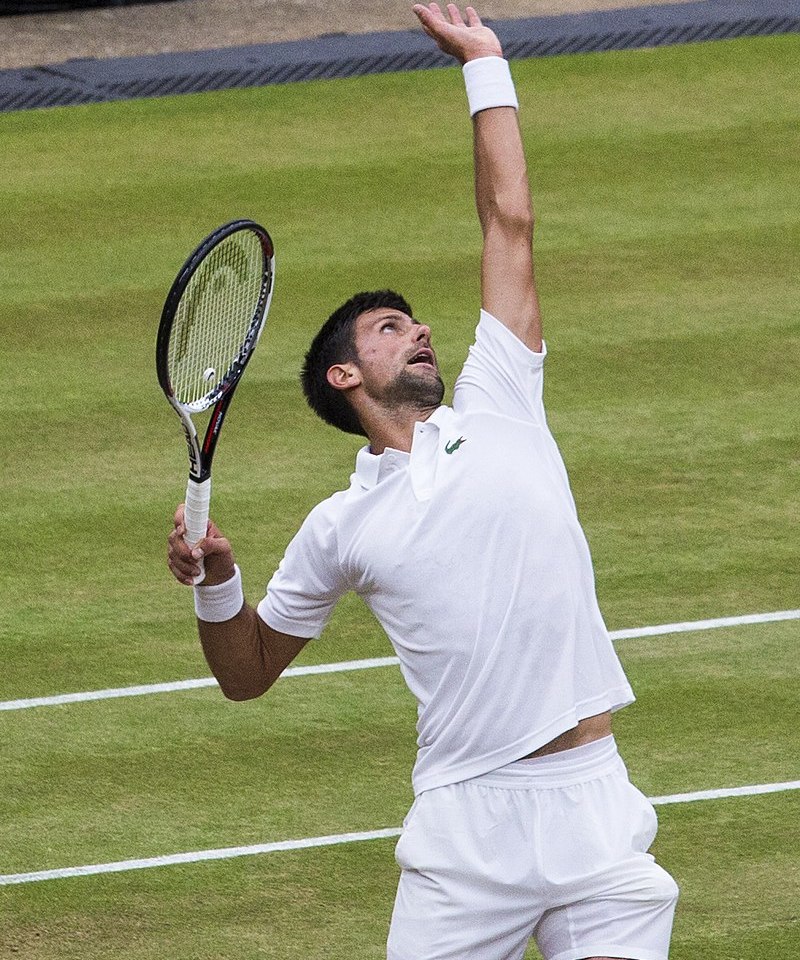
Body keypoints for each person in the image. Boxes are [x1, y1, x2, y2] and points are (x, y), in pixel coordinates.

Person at [167, 4, 679, 958]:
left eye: (416, 320)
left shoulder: (499, 399)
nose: (422, 329)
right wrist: (219, 584)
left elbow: (509, 222)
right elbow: (245, 675)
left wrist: (487, 66)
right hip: (466, 833)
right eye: (390, 327)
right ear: (345, 377)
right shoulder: (340, 525)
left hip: (598, 810)